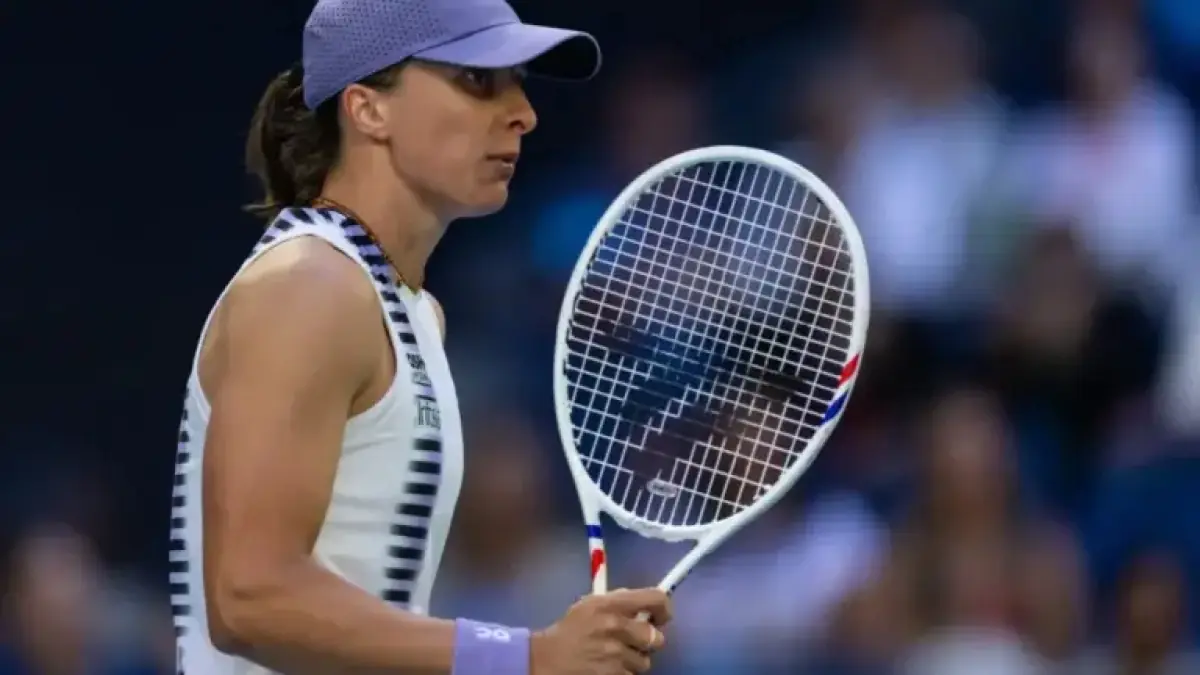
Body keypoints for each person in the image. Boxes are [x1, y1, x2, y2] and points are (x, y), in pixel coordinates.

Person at [166, 0, 673, 673]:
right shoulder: (310, 286)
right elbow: (248, 597)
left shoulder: (411, 309)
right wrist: (525, 657)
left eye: (519, 83)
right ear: (367, 109)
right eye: (477, 80)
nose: (524, 113)